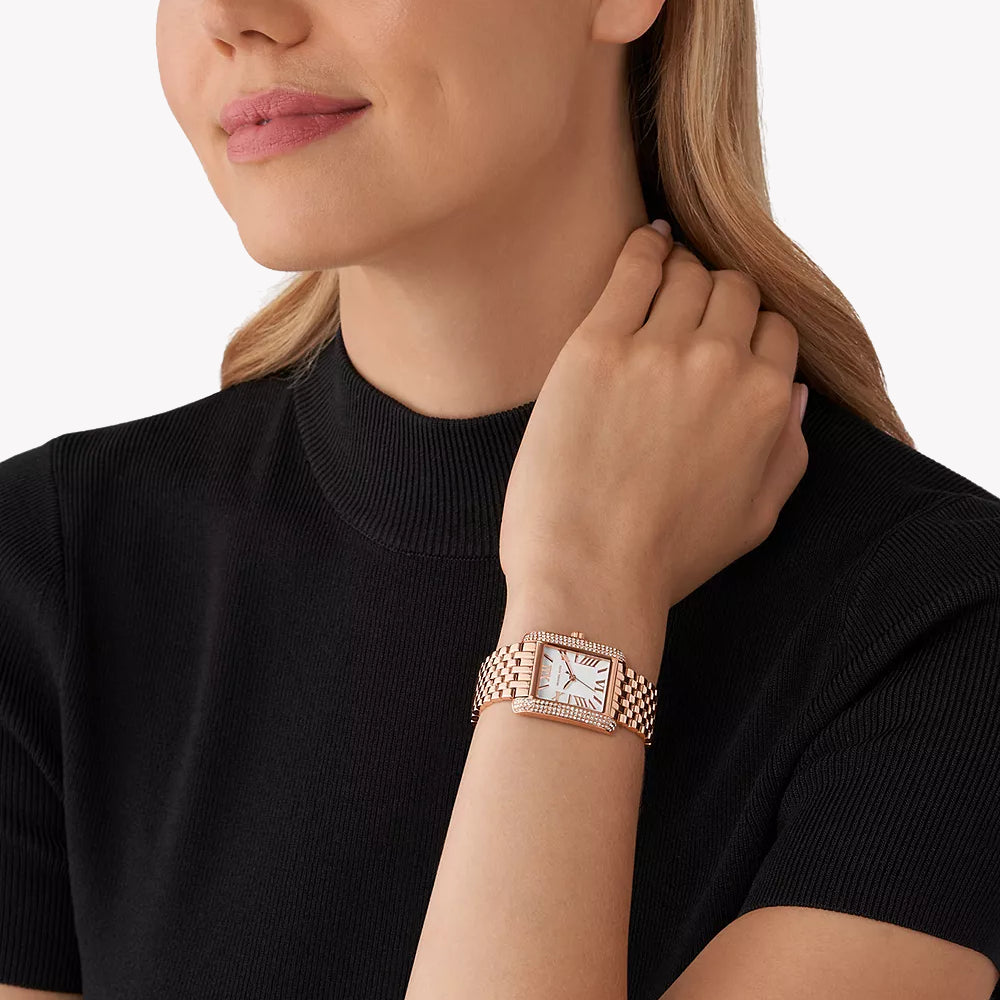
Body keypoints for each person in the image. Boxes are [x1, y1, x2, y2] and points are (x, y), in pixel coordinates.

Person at [2, 0, 998, 997]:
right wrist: (589, 603)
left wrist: (585, 587)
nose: (234, 16)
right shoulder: (41, 577)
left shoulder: (944, 632)